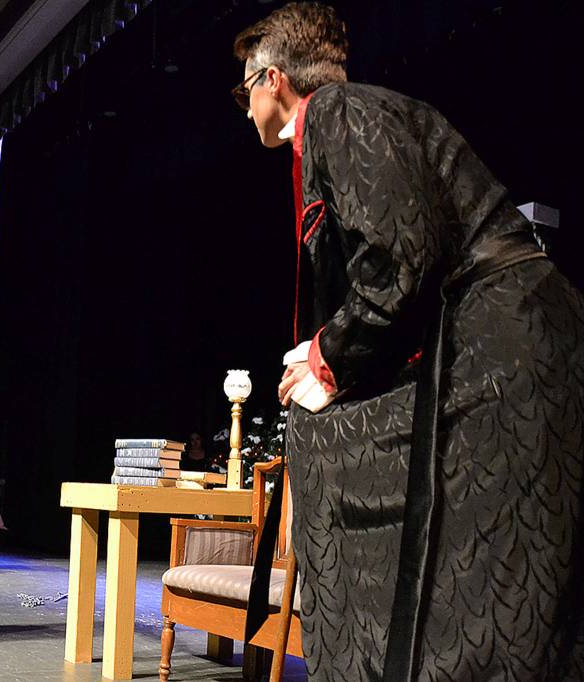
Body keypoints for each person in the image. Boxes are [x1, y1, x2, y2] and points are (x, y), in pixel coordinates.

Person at [233, 3, 584, 680]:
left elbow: (400, 260)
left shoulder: (338, 113)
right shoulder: (353, 117)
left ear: (272, 79)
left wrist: (325, 359)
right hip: (508, 347)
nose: (243, 109)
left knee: (496, 591)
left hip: (505, 353)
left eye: (243, 91)